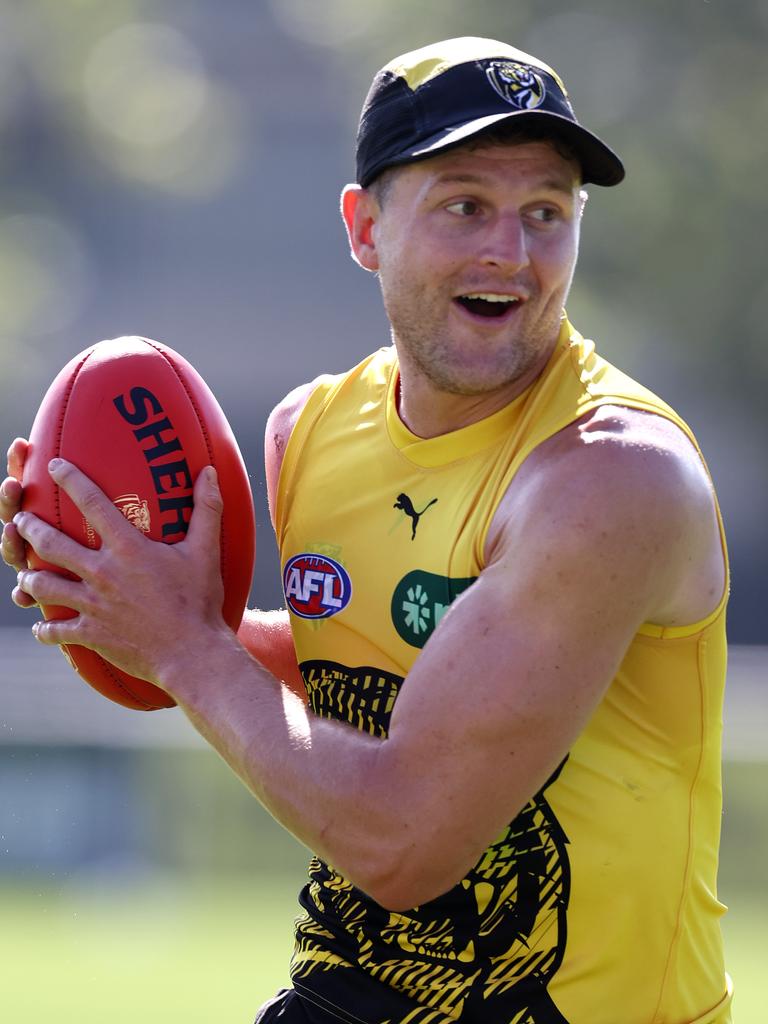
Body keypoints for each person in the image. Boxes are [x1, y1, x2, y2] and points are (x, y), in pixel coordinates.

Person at [0, 36, 732, 1024]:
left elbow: (404, 843)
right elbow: (369, 678)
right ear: (364, 228)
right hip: (351, 999)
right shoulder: (310, 433)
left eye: (547, 212)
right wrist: (120, 597)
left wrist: (185, 644)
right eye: (466, 203)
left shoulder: (610, 479)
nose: (510, 252)